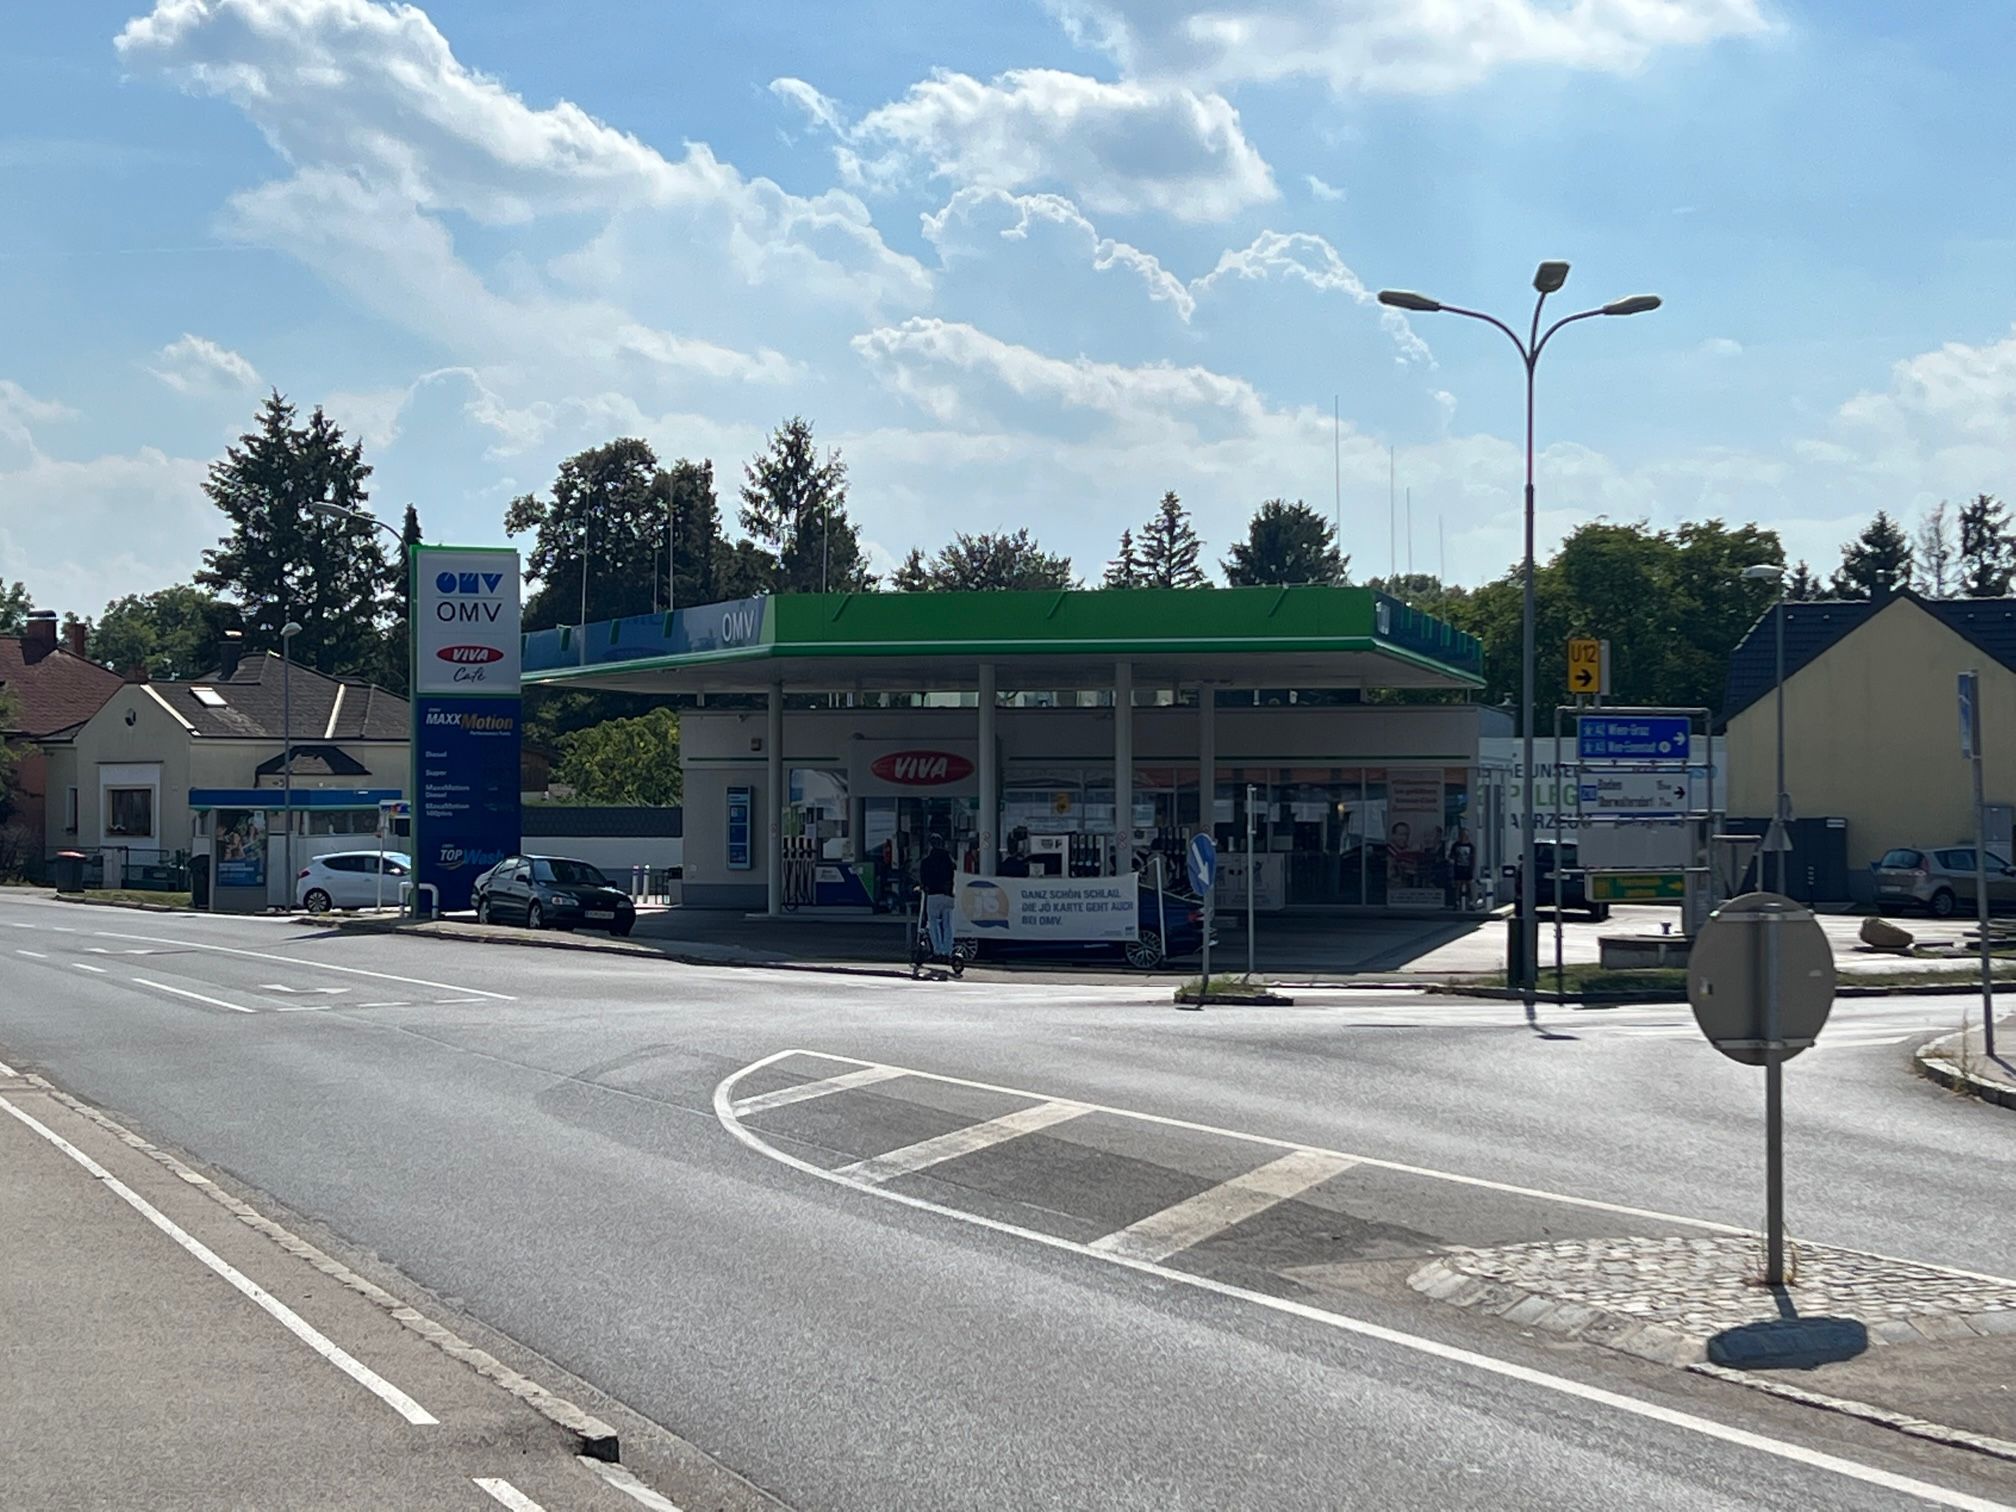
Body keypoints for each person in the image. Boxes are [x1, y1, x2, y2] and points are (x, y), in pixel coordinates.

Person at [919, 831, 957, 962]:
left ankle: (937, 951)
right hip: (948, 896)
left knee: (934, 923)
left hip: (933, 895)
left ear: (930, 845)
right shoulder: (949, 861)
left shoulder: (926, 862)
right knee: (948, 924)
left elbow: (923, 881)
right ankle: (948, 951)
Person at [1450, 827, 1478, 910]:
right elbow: (1452, 856)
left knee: (1469, 886)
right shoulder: (1455, 845)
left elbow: (1473, 859)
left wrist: (1472, 869)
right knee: (1458, 886)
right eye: (1462, 835)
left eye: (1465, 835)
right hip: (1458, 868)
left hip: (1467, 869)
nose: (1463, 837)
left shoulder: (1470, 846)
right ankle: (1457, 902)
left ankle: (1470, 903)